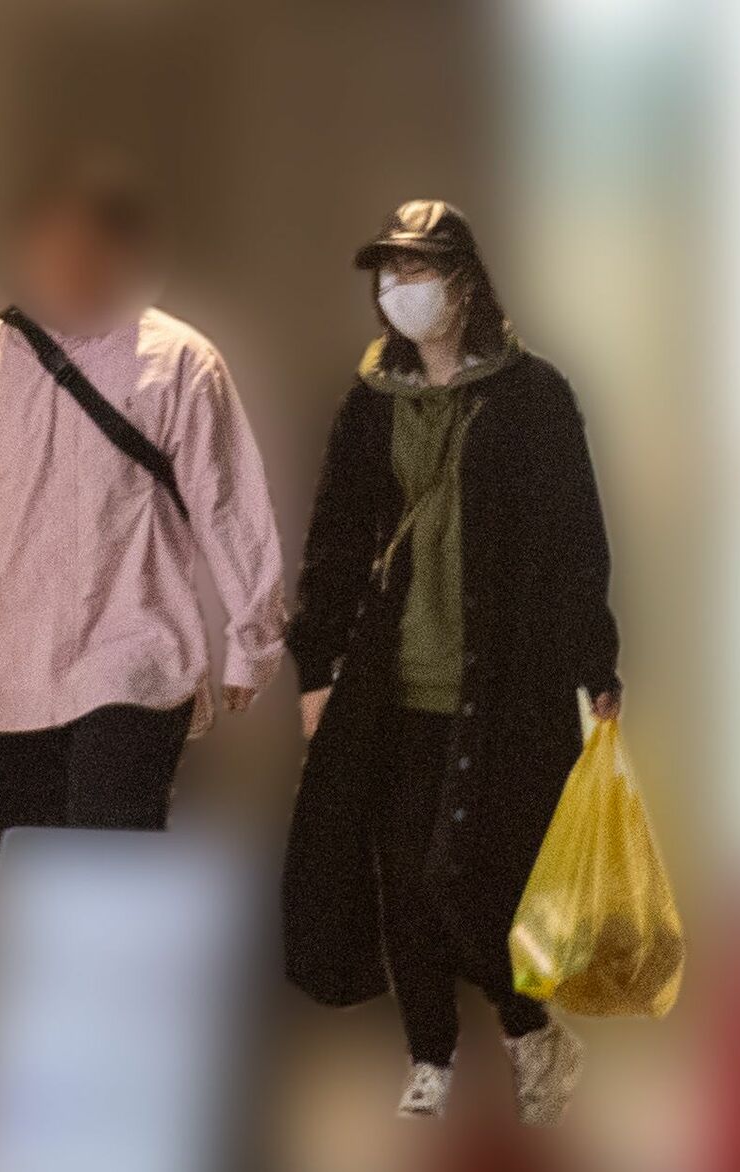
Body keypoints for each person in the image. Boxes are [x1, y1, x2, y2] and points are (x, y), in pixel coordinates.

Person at [283, 200, 622, 1123]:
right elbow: (335, 542)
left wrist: (595, 665)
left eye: (419, 270)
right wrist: (316, 668)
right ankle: (430, 1054)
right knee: (403, 880)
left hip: (503, 683)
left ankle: (530, 1030)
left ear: (465, 284)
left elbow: (575, 541)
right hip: (392, 682)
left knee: (478, 879)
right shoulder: (370, 403)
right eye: (390, 272)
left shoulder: (534, 397)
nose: (401, 289)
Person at [0, 160, 286, 868]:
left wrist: (254, 633)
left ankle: (115, 947)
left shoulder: (178, 362)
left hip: (136, 653)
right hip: (13, 667)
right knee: (28, 874)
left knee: (107, 870)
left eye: (85, 245)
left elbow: (227, 500)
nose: (67, 263)